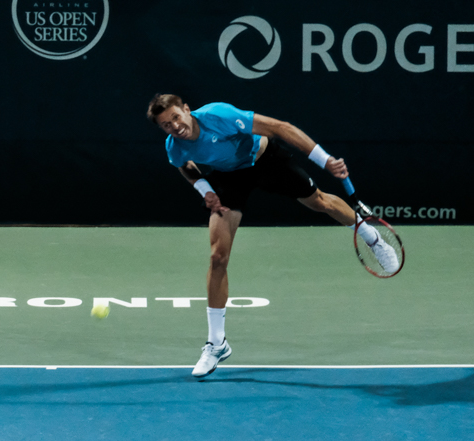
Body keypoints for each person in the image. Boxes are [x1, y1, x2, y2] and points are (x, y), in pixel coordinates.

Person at [146, 94, 399, 378]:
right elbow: (185, 166)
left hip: (265, 159)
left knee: (321, 203)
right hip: (229, 177)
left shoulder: (219, 115)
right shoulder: (174, 146)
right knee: (218, 257)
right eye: (167, 125)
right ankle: (217, 343)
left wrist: (325, 160)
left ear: (187, 110)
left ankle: (372, 237)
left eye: (176, 117)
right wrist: (206, 190)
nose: (175, 126)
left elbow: (281, 127)